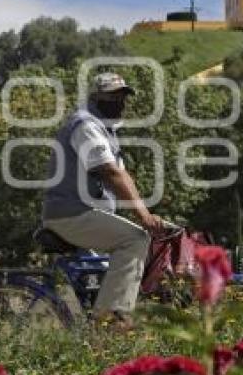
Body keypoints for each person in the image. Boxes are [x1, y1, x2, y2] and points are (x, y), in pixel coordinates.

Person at [41, 72, 163, 326]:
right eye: (113, 96)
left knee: (111, 267)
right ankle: (109, 323)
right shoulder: (86, 126)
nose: (120, 102)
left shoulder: (104, 129)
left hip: (82, 212)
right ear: (96, 97)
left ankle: (98, 317)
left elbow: (122, 175)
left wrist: (145, 213)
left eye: (122, 96)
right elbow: (110, 172)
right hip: (72, 213)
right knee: (135, 239)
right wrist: (142, 217)